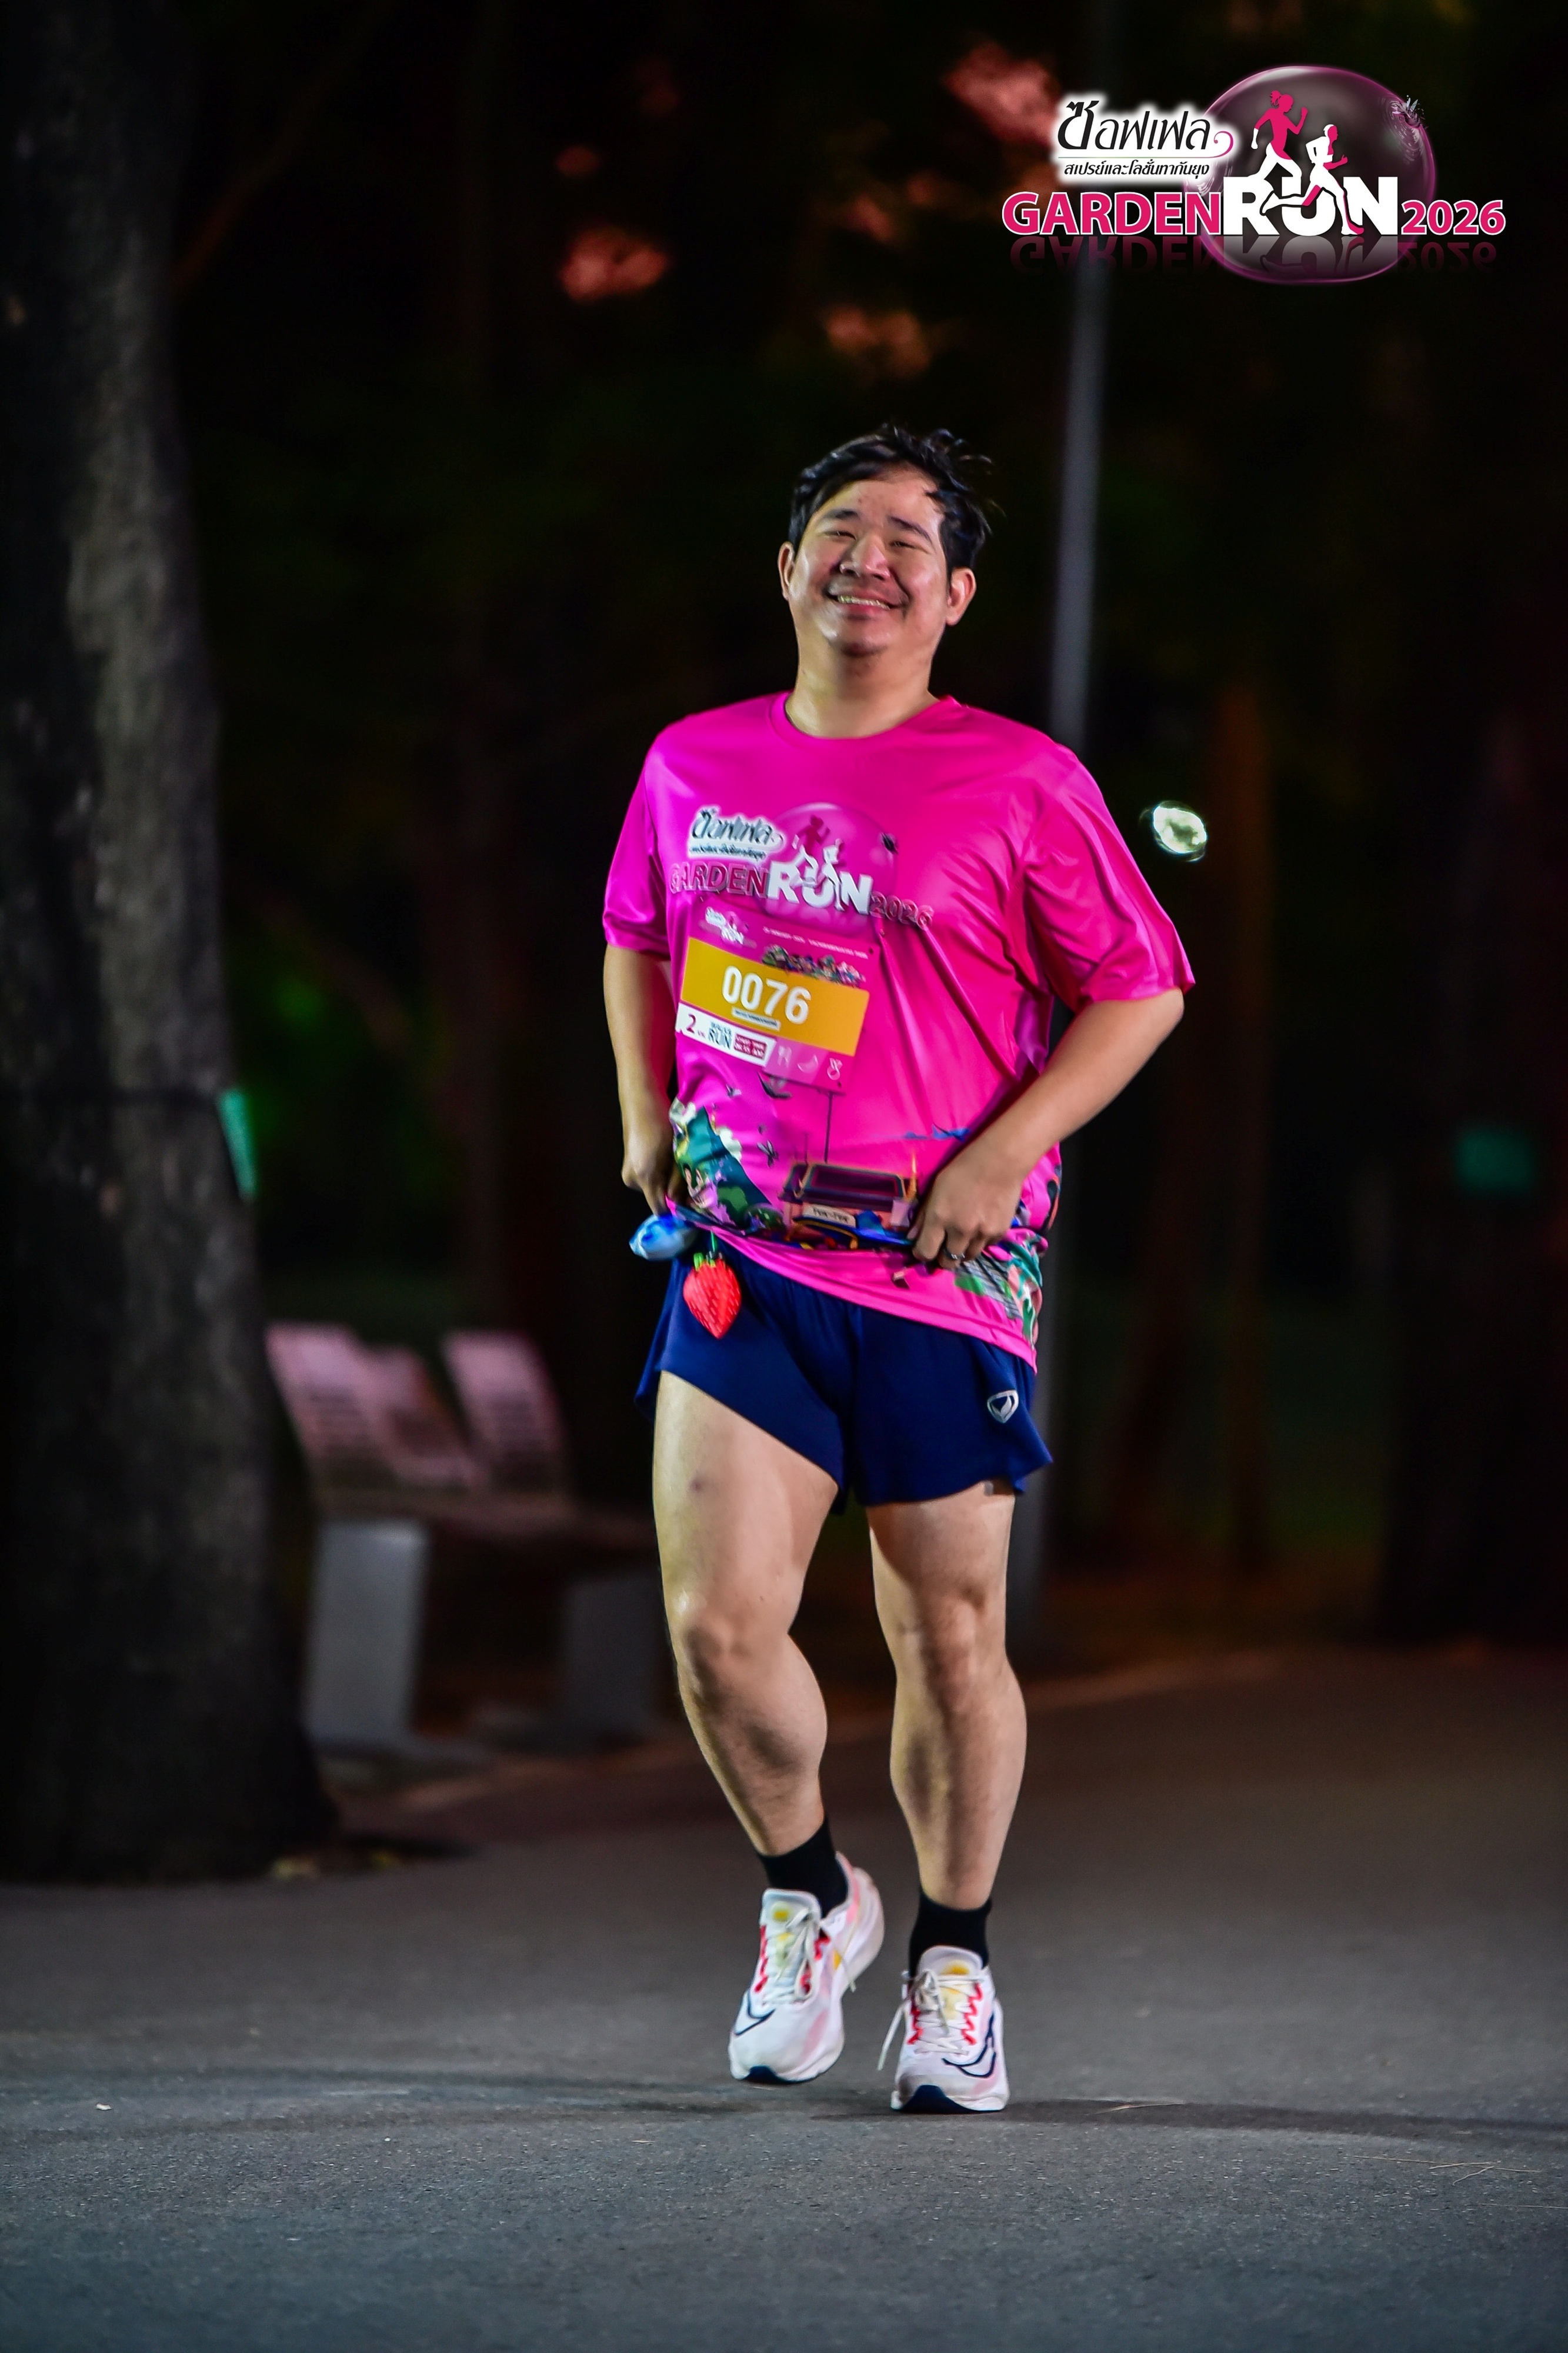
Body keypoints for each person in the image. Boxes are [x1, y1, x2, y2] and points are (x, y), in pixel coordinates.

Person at [602, 425, 1190, 2114]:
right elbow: (638, 934)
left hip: (938, 1271)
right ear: (788, 568)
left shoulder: (1019, 782)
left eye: (908, 541)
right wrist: (643, 1112)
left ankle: (952, 1962)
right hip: (743, 1258)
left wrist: (1005, 1153)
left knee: (945, 1635)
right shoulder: (691, 764)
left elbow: (1141, 986)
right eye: (839, 531)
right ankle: (810, 1900)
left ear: (956, 595)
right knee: (717, 1632)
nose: (869, 560)